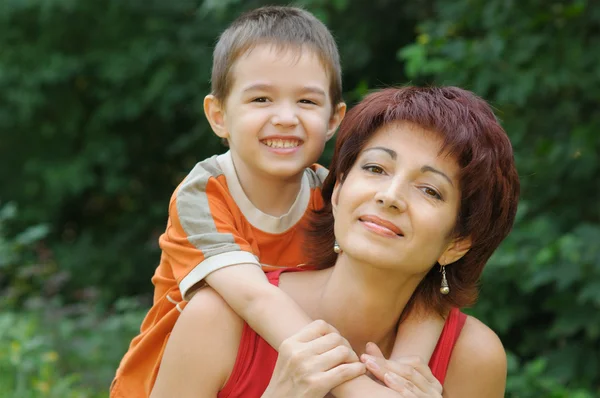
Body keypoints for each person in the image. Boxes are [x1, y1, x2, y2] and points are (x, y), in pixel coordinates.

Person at [111, 7, 442, 397]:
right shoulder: (204, 195)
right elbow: (255, 297)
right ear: (218, 115)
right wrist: (364, 392)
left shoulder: (333, 195)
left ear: (334, 119)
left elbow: (420, 280)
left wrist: (400, 371)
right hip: (171, 380)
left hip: (277, 375)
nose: (285, 117)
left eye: (306, 102)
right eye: (262, 98)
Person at [150, 86, 520, 398]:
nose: (389, 196)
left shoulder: (471, 357)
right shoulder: (217, 319)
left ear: (457, 242)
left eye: (429, 190)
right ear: (339, 191)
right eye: (375, 169)